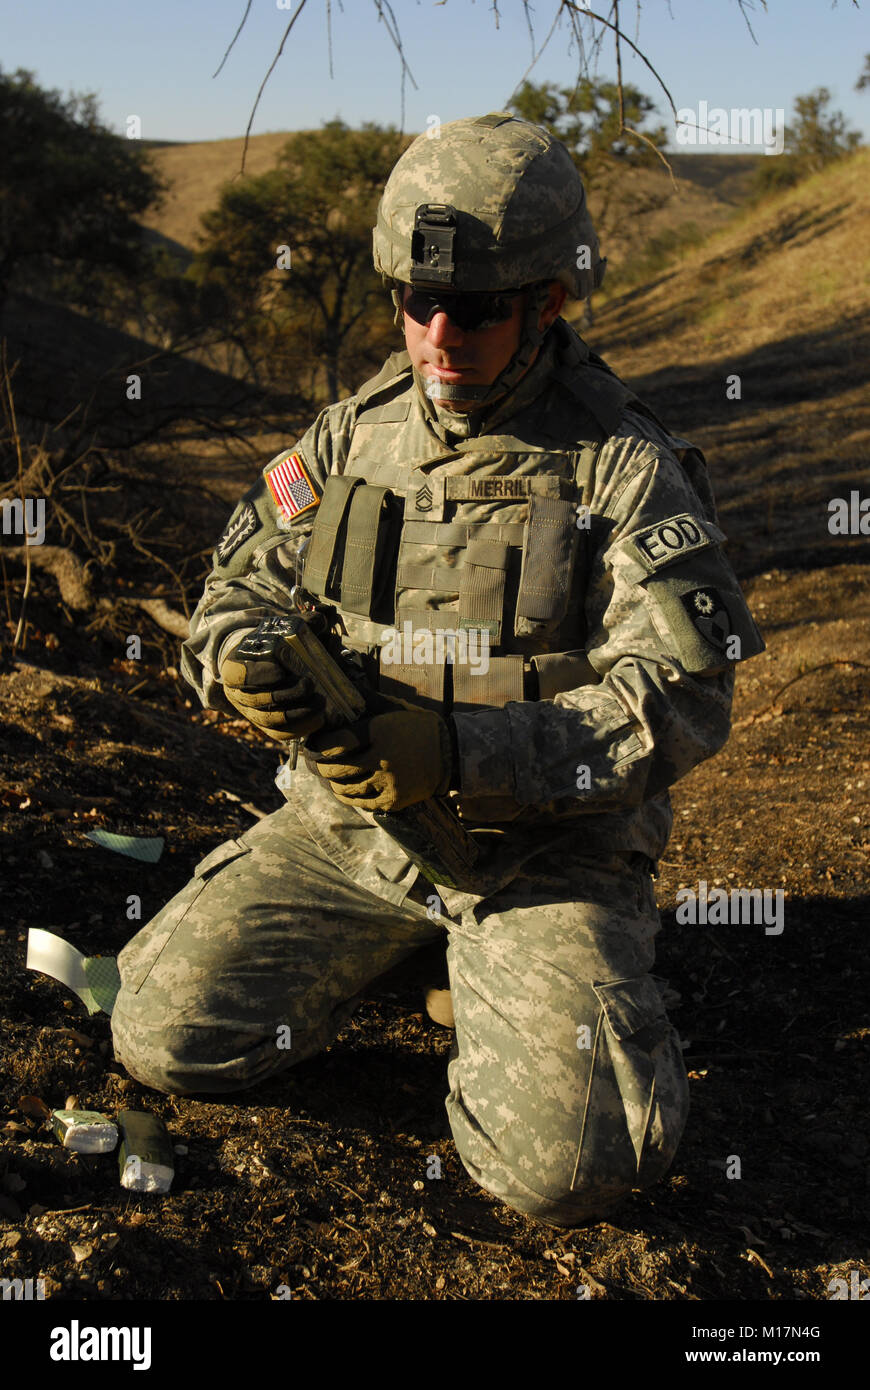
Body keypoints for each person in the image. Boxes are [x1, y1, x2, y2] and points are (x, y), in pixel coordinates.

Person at [111, 113, 764, 1227]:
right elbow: (234, 586)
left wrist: (465, 750)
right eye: (419, 301)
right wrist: (244, 659)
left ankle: (522, 972)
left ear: (548, 301)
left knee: (576, 1176)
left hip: (538, 856)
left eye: (481, 306)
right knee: (165, 1037)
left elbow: (689, 694)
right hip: (351, 836)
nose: (442, 333)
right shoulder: (349, 435)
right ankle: (417, 948)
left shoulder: (621, 465)